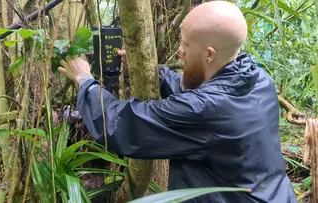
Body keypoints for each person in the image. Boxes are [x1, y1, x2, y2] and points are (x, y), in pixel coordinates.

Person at [58, 1, 298, 202]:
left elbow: (119, 124)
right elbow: (202, 95)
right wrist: (154, 72)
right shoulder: (258, 78)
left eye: (185, 45)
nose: (180, 52)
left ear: (209, 54)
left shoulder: (205, 110)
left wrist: (85, 80)